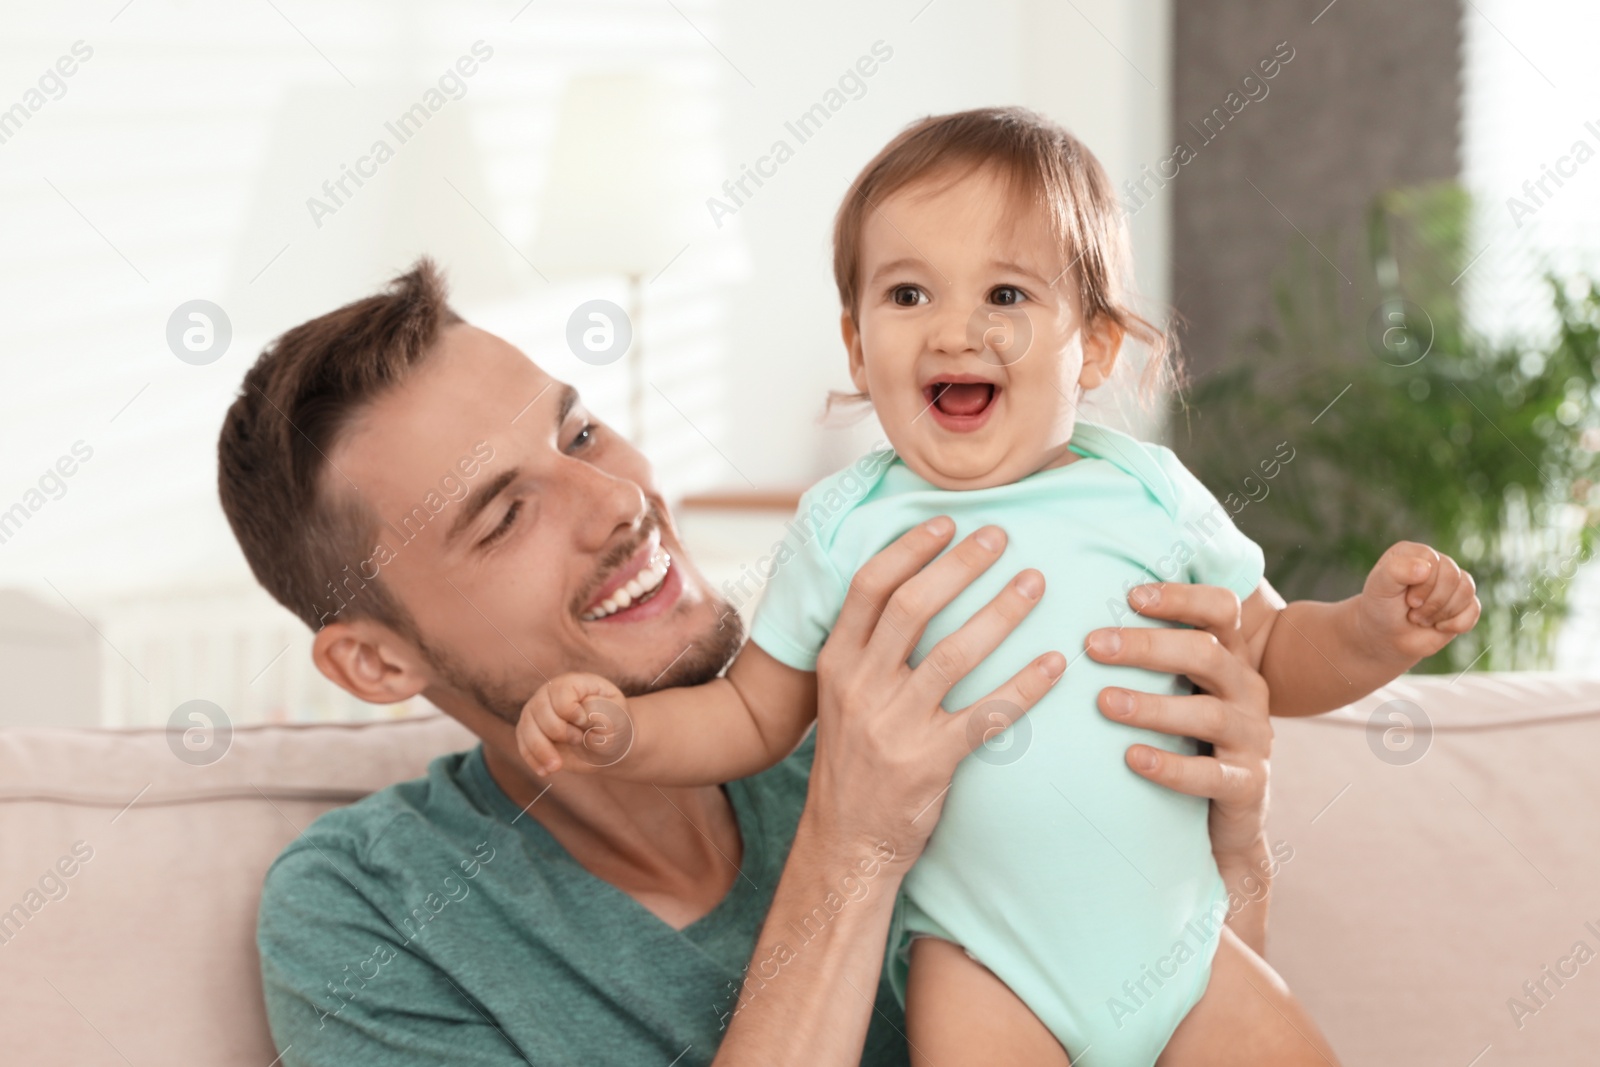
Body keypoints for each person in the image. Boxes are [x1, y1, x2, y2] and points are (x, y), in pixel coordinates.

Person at [520, 109, 1481, 1066]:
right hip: (983, 967)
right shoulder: (846, 524)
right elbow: (750, 714)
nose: (956, 330)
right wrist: (623, 733)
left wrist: (1370, 632)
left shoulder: (1149, 492)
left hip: (1184, 948)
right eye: (907, 295)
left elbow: (1270, 653)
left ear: (1095, 347)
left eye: (1008, 294)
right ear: (857, 347)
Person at [220, 260, 1283, 1067]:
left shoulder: (921, 692)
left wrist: (1227, 859)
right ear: (372, 660)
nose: (619, 501)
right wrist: (854, 846)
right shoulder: (368, 916)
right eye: (505, 515)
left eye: (580, 434)